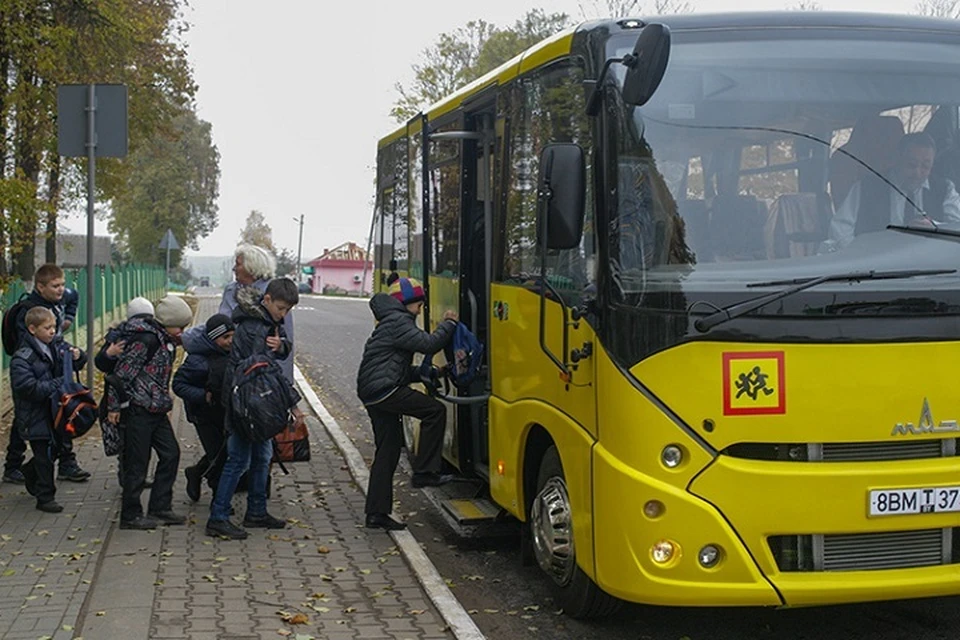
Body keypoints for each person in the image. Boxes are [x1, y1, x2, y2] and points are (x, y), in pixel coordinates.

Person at [356, 277, 458, 531]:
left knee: (388, 450)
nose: (421, 309)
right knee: (434, 411)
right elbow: (430, 344)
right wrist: (449, 323)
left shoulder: (390, 321)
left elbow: (395, 368)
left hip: (374, 391)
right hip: (385, 391)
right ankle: (425, 471)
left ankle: (376, 514)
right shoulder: (400, 321)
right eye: (419, 304)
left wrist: (434, 372)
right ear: (408, 303)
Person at [206, 278, 303, 540]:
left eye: (288, 311)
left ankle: (257, 511)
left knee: (262, 457)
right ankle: (218, 517)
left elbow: (279, 353)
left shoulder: (267, 322)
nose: (284, 315)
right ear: (267, 299)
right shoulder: (254, 327)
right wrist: (292, 401)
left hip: (257, 399)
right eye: (281, 308)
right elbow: (264, 369)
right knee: (238, 459)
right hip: (245, 401)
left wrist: (281, 346)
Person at [105, 295, 192, 530]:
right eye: (180, 326)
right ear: (167, 323)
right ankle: (130, 515)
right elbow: (119, 376)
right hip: (138, 410)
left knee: (171, 454)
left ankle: (160, 507)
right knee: (137, 463)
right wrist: (113, 407)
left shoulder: (164, 341)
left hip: (156, 408)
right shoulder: (145, 340)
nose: (182, 331)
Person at [3, 264, 89, 485]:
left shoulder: (55, 304)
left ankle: (66, 463)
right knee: (27, 420)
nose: (61, 289)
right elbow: (32, 345)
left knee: (59, 415)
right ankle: (14, 466)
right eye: (55, 286)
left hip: (51, 372)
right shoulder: (29, 311)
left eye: (62, 284)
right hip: (35, 374)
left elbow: (73, 297)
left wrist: (74, 354)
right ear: (40, 287)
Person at [826, 132, 960, 249]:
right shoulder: (866, 188)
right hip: (875, 271)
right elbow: (839, 231)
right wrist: (861, 256)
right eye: (911, 165)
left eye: (925, 166)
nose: (918, 173)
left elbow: (957, 229)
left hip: (934, 271)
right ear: (897, 159)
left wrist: (935, 228)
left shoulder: (945, 190)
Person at [11, 307, 86, 513]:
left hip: (55, 411)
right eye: (48, 328)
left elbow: (79, 360)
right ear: (32, 329)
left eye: (54, 326)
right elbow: (29, 388)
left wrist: (78, 356)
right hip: (35, 414)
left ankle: (30, 470)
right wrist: (61, 383)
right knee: (44, 457)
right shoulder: (22, 358)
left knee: (53, 452)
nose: (53, 331)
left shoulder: (56, 346)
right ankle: (45, 497)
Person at [94, 296, 156, 489]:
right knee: (126, 442)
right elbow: (101, 364)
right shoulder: (118, 337)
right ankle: (127, 477)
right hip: (118, 396)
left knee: (139, 442)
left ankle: (137, 476)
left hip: (139, 396)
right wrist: (108, 354)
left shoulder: (149, 336)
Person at [173, 313, 234, 503]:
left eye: (233, 336)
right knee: (218, 456)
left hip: (225, 413)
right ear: (212, 338)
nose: (230, 341)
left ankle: (195, 472)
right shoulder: (197, 360)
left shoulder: (233, 354)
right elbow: (179, 384)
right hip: (204, 416)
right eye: (225, 338)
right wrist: (202, 396)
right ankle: (219, 500)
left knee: (225, 451)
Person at [218, 244, 296, 384]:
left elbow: (286, 340)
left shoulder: (274, 294)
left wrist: (285, 385)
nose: (234, 268)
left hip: (263, 376)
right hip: (232, 365)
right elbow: (220, 324)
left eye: (238, 264)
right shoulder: (230, 290)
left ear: (251, 268)